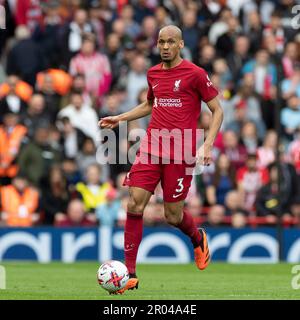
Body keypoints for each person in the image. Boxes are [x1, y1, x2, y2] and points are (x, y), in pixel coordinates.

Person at [99, 25, 223, 294]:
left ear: (180, 45)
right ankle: (130, 274)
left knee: (172, 214)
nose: (165, 47)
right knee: (134, 203)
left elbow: (217, 110)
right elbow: (149, 104)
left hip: (180, 152)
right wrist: (120, 118)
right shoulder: (153, 73)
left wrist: (208, 144)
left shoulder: (195, 74)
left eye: (170, 42)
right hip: (152, 147)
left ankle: (196, 237)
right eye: (161, 42)